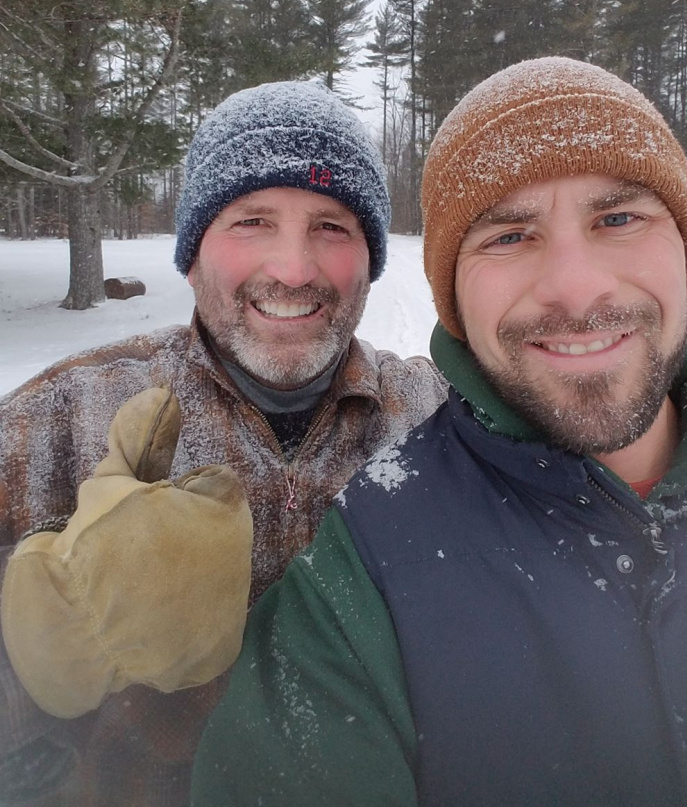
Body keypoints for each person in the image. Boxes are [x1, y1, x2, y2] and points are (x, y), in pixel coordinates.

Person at [192, 57, 687, 807]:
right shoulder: (369, 559)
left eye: (619, 216)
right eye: (509, 234)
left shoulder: (403, 399)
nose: (576, 286)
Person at [0, 80, 448, 807]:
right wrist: (39, 646)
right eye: (252, 220)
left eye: (332, 226)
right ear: (192, 251)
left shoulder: (434, 422)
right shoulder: (54, 418)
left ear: (370, 256)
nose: (294, 268)